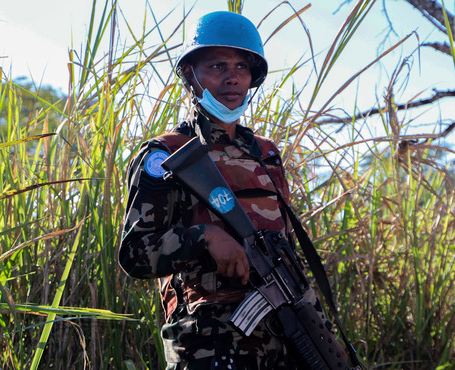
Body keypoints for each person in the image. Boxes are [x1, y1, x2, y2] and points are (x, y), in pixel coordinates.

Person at [118, 11, 333, 370]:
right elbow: (136, 253)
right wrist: (205, 238)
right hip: (208, 344)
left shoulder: (265, 154)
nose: (232, 78)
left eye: (241, 67)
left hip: (284, 337)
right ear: (190, 74)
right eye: (217, 66)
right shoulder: (167, 154)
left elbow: (286, 251)